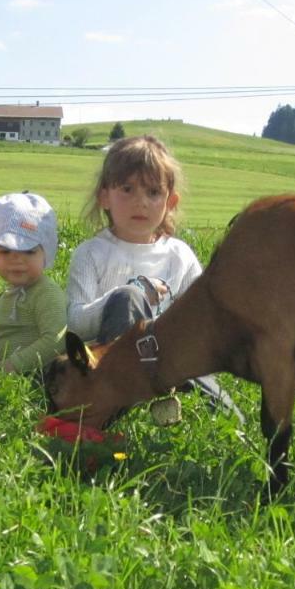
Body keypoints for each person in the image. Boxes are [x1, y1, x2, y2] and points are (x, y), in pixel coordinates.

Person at [66, 135, 241, 420]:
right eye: (127, 189)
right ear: (104, 196)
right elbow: (75, 323)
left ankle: (225, 428)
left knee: (228, 418)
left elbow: (203, 319)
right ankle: (120, 409)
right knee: (128, 298)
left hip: (171, 364)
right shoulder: (91, 254)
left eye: (153, 192)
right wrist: (129, 293)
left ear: (170, 201)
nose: (141, 203)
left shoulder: (179, 255)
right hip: (112, 364)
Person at [0, 192, 67, 375]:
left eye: (29, 251)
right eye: (5, 252)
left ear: (46, 252)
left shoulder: (46, 292)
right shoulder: (6, 297)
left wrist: (10, 367)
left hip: (40, 377)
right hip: (8, 375)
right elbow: (9, 345)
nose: (16, 260)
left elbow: (56, 341)